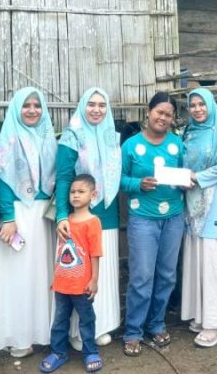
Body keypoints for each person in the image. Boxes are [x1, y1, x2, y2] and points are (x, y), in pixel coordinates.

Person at [0, 87, 57, 357]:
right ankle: (17, 337)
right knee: (17, 276)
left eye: (37, 105)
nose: (32, 110)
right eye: (26, 105)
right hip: (17, 214)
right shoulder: (7, 139)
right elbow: (2, 180)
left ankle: (42, 331)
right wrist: (8, 218)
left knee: (41, 275)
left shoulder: (48, 136)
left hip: (42, 215)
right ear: (16, 109)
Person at [120, 92, 187, 357]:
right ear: (148, 113)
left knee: (167, 275)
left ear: (172, 119)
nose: (163, 118)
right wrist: (138, 184)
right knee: (141, 276)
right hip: (142, 219)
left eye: (168, 115)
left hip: (173, 217)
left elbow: (186, 174)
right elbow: (119, 180)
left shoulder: (177, 145)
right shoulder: (131, 146)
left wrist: (187, 180)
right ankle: (133, 331)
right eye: (159, 112)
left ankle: (156, 323)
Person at [56, 87, 121, 350]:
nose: (96, 110)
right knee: (78, 273)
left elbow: (116, 176)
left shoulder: (110, 137)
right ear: (83, 106)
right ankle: (78, 333)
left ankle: (101, 326)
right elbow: (62, 177)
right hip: (79, 219)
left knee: (100, 272)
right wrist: (62, 214)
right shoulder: (71, 137)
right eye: (91, 104)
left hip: (107, 213)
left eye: (102, 105)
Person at [181, 88, 217, 348]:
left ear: (211, 106)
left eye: (201, 104)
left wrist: (198, 178)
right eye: (192, 105)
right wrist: (184, 178)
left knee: (215, 259)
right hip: (193, 201)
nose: (197, 109)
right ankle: (202, 314)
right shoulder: (189, 132)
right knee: (199, 256)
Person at [40, 174, 103, 373]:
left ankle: (90, 352)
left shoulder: (93, 222)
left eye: (81, 192)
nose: (75, 195)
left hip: (82, 285)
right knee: (59, 320)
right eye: (73, 192)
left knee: (86, 319)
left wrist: (94, 280)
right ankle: (58, 352)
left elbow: (95, 253)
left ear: (93, 195)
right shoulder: (64, 221)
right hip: (61, 283)